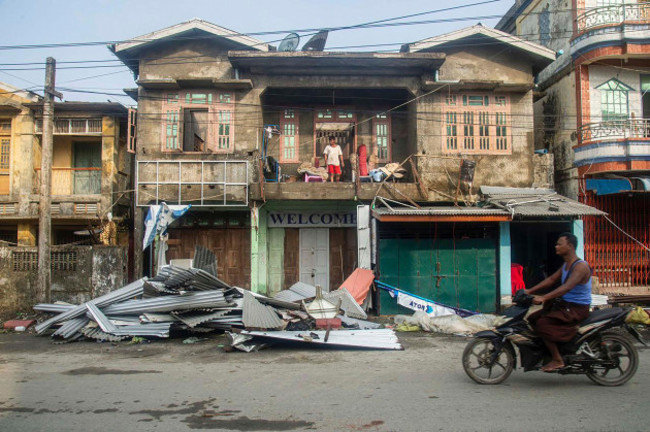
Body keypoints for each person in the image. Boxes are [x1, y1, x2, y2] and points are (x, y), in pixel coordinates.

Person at [523, 232, 592, 372]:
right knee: (532, 318)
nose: (556, 246)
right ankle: (553, 349)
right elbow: (551, 280)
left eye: (559, 244)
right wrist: (529, 291)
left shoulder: (580, 266)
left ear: (570, 246)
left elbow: (566, 287)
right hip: (565, 306)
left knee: (543, 324)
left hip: (576, 308)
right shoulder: (567, 264)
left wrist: (544, 297)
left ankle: (557, 359)